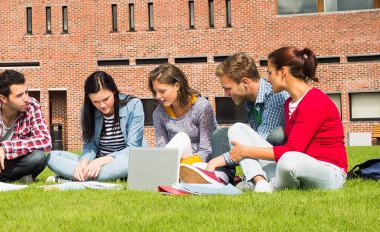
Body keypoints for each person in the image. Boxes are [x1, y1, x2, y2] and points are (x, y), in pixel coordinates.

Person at [228, 46, 347, 193]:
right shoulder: (288, 103)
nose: (268, 79)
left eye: (270, 73)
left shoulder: (314, 101)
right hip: (294, 168)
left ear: (283, 72)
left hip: (328, 172)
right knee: (237, 129)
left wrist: (245, 151)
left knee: (288, 160)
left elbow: (292, 150)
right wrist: (243, 151)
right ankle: (258, 181)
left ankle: (270, 186)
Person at [47, 71, 145, 181]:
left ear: (114, 91)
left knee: (126, 163)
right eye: (96, 102)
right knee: (53, 157)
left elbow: (133, 148)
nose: (102, 105)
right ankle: (95, 175)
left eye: (106, 99)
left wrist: (101, 161)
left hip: (122, 159)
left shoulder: (134, 105)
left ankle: (76, 178)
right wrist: (84, 164)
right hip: (96, 162)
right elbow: (89, 147)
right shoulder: (87, 110)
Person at [206, 52, 288, 184]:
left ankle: (255, 180)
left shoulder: (274, 96)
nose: (225, 94)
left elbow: (260, 142)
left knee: (274, 135)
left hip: (276, 160)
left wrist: (218, 160)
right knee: (220, 133)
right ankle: (222, 176)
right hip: (259, 155)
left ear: (245, 82)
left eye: (228, 88)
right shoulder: (250, 102)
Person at [147, 63, 216, 162]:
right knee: (180, 139)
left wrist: (186, 163)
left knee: (182, 137)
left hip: (201, 162)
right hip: (173, 162)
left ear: (177, 86)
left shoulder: (202, 107)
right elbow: (162, 148)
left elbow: (207, 150)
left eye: (162, 91)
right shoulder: (158, 114)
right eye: (155, 92)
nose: (157, 96)